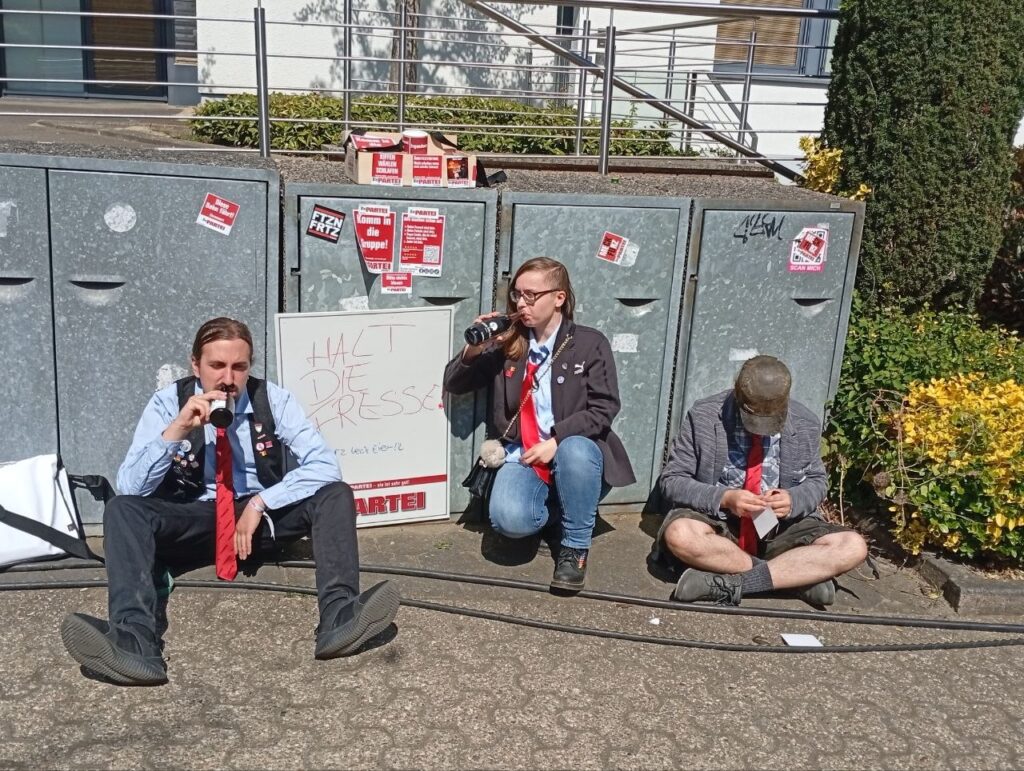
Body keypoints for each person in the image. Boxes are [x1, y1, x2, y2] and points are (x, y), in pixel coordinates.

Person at [60, 318, 399, 685]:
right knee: (122, 510)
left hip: (255, 523)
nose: (228, 379)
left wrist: (260, 503)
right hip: (193, 517)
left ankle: (340, 617)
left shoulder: (273, 399)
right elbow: (131, 487)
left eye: (239, 367)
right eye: (217, 366)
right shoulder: (168, 402)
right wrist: (178, 429)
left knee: (336, 494)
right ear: (195, 365)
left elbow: (325, 465)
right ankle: (133, 641)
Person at [444, 257, 635, 592]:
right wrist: (473, 350)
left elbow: (604, 407)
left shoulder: (589, 344)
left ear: (559, 297)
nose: (521, 303)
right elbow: (455, 384)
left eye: (531, 295)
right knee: (508, 520)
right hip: (524, 453)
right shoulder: (509, 343)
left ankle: (575, 547)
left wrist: (557, 441)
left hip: (576, 456)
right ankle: (563, 511)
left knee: (575, 450)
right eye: (517, 294)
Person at [654, 355, 867, 607]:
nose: (760, 428)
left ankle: (733, 583)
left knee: (853, 546)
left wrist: (793, 500)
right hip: (720, 528)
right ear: (737, 392)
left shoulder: (805, 422)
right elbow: (672, 480)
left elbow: (817, 481)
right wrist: (725, 498)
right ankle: (793, 577)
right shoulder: (704, 416)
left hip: (781, 530)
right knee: (680, 534)